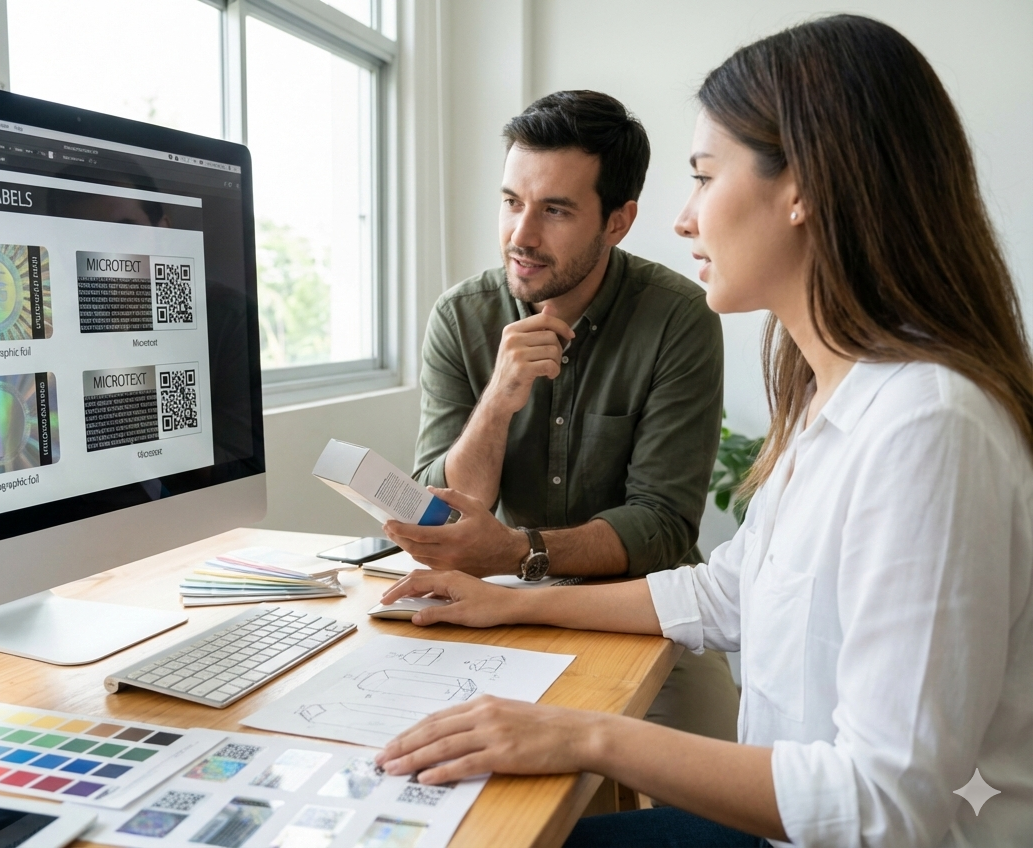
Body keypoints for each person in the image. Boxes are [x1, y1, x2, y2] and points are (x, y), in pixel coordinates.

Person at [374, 14, 1033, 847]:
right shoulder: (840, 398)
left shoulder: (927, 428)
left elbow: (881, 803)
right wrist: (508, 605)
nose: (685, 221)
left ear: (804, 189)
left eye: (703, 177)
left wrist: (581, 735)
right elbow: (728, 592)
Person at [386, 89, 739, 744]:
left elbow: (662, 522)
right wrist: (497, 400)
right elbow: (439, 513)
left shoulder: (678, 319)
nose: (521, 235)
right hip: (496, 602)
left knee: (720, 762)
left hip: (642, 609)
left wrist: (522, 551)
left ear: (617, 221)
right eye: (512, 202)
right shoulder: (461, 317)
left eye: (554, 210)